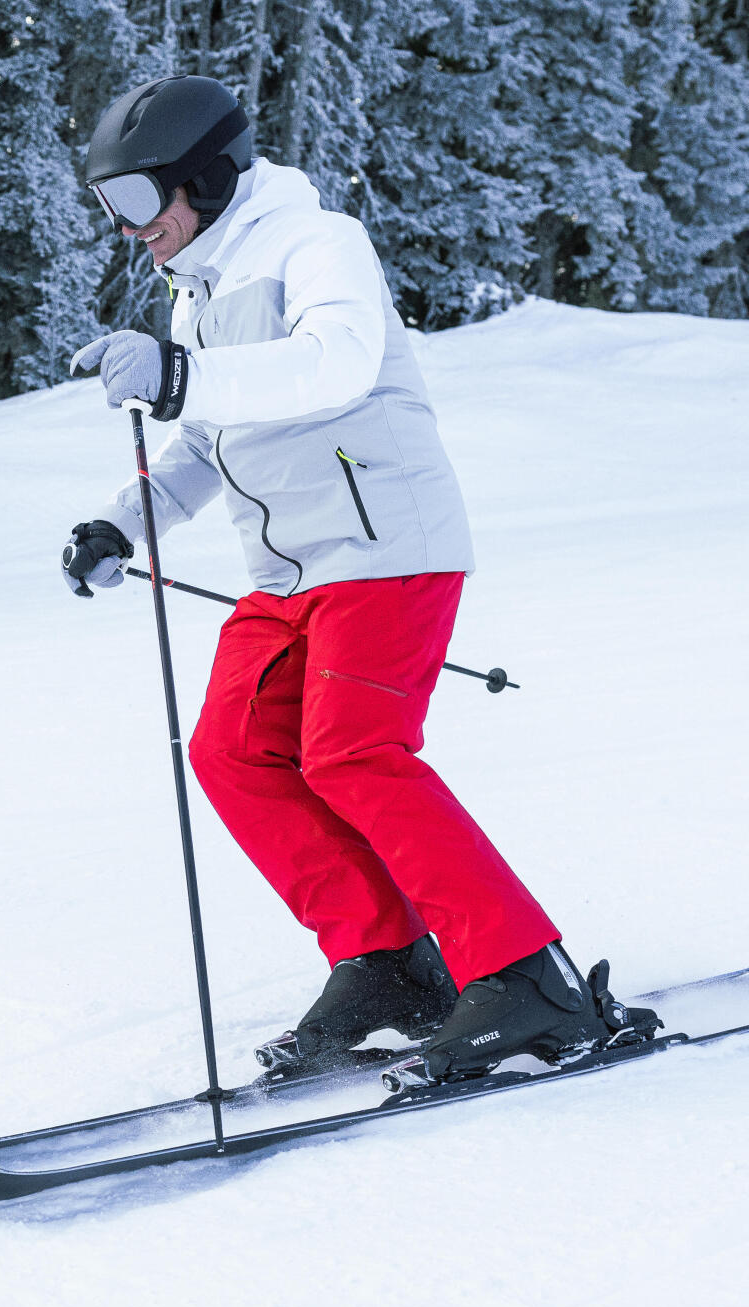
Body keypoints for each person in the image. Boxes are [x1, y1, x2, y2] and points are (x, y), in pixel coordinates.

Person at [62, 76, 653, 1084]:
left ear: (204, 179)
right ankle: (386, 963)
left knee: (352, 753)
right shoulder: (196, 294)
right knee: (234, 750)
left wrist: (176, 376)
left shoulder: (319, 246)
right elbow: (205, 447)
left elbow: (330, 365)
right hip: (287, 572)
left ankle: (528, 979)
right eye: (110, 207)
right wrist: (122, 523)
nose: (129, 232)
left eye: (137, 202)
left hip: (387, 548)